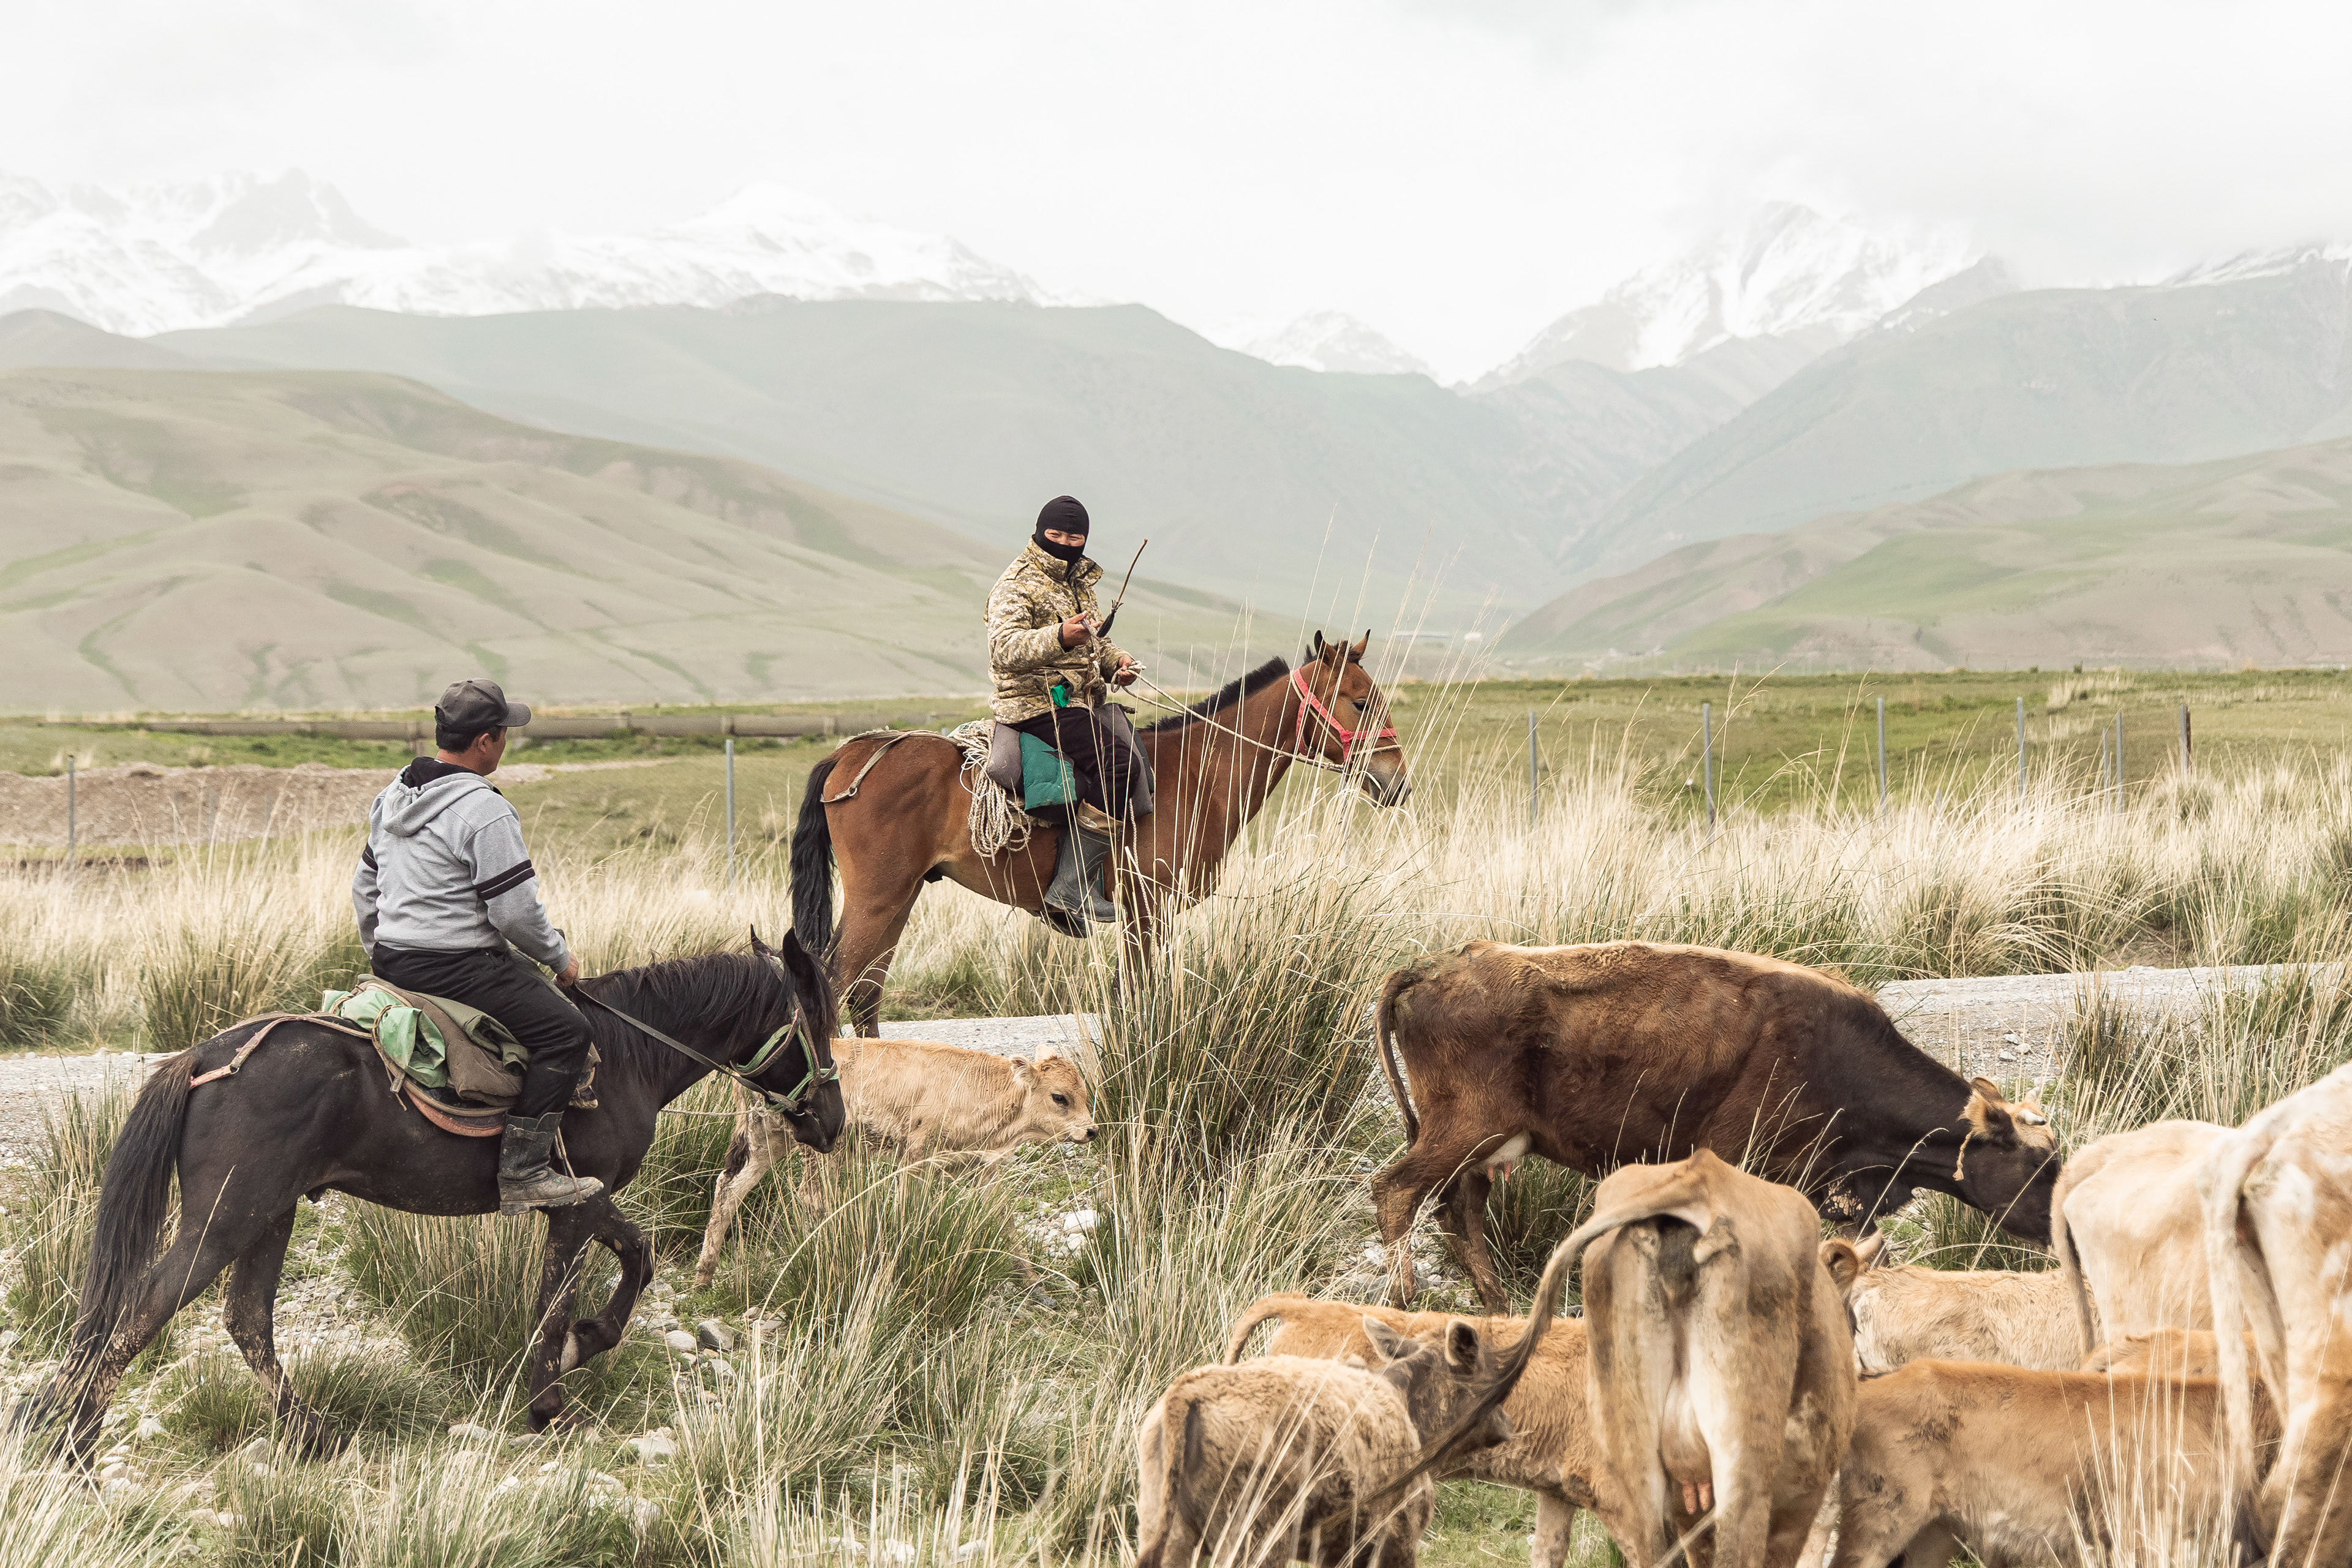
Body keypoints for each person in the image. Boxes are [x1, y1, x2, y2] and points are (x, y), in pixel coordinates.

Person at [351, 679, 603, 1215]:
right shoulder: (484, 811)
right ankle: (525, 1171)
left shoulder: (393, 795)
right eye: (504, 733)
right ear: (485, 742)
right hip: (457, 967)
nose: (507, 742)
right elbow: (513, 914)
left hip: (394, 958)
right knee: (567, 1032)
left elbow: (365, 888)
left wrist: (382, 952)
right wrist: (560, 958)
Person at [986, 495, 1141, 924]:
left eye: (1075, 538)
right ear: (1040, 532)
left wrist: (1117, 662)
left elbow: (1095, 641)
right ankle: (1070, 888)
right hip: (1035, 703)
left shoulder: (1079, 582)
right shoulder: (1016, 583)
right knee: (1120, 765)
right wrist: (1058, 637)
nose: (1064, 544)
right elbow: (1003, 650)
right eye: (1055, 535)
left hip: (1078, 700)